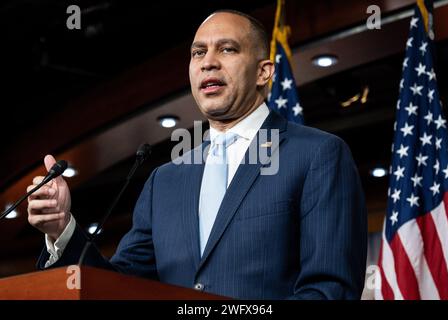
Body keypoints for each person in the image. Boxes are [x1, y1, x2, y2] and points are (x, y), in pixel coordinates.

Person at [27, 10, 367, 299]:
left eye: (228, 49)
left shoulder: (317, 155)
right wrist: (62, 229)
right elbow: (119, 286)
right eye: (197, 53)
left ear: (264, 71)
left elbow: (329, 289)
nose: (208, 63)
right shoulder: (165, 181)